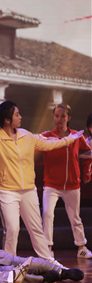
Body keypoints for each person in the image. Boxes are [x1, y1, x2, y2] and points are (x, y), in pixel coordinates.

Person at [0, 101, 82, 262]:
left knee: (36, 229)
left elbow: (49, 144)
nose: (20, 117)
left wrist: (69, 139)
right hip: (6, 191)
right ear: (7, 120)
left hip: (28, 190)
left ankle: (49, 262)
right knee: (12, 229)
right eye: (17, 115)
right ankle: (10, 263)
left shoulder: (26, 135)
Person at [41, 104, 92, 259]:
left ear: (68, 118)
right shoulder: (46, 136)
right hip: (51, 184)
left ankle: (81, 247)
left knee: (75, 217)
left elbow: (87, 152)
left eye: (63, 116)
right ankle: (48, 248)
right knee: (47, 214)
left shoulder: (76, 136)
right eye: (57, 116)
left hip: (72, 184)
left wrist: (85, 168)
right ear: (53, 117)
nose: (60, 119)